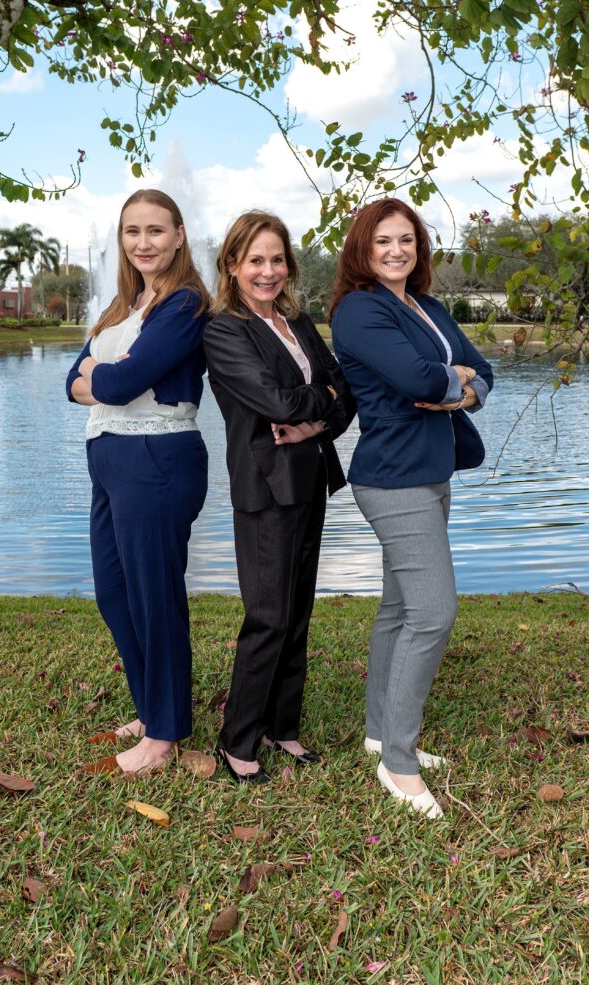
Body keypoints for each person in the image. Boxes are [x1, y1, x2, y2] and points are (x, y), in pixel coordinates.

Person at [330, 198, 493, 818]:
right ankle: (398, 763)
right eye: (383, 241)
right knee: (433, 612)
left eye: (406, 240)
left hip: (432, 470)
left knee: (400, 609)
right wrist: (451, 381)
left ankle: (380, 733)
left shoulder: (427, 307)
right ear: (363, 250)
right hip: (392, 478)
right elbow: (421, 381)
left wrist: (461, 390)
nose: (396, 250)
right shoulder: (359, 310)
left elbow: (483, 371)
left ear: (419, 248)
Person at [204, 211, 356, 784]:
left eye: (276, 259)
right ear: (232, 266)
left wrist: (315, 420)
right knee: (267, 616)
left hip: (310, 477)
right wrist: (320, 398)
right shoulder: (224, 331)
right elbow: (277, 403)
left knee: (297, 612)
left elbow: (347, 397)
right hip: (266, 487)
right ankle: (237, 740)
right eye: (255, 260)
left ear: (289, 265)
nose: (267, 271)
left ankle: (281, 726)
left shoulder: (298, 321)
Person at [65, 189, 209, 775]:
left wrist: (99, 375)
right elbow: (71, 382)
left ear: (178, 235)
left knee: (154, 597)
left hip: (157, 459)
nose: (143, 242)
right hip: (108, 457)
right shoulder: (123, 304)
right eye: (132, 231)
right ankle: (151, 709)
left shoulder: (185, 304)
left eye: (155, 230)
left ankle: (164, 735)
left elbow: (119, 386)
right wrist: (99, 374)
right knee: (114, 592)